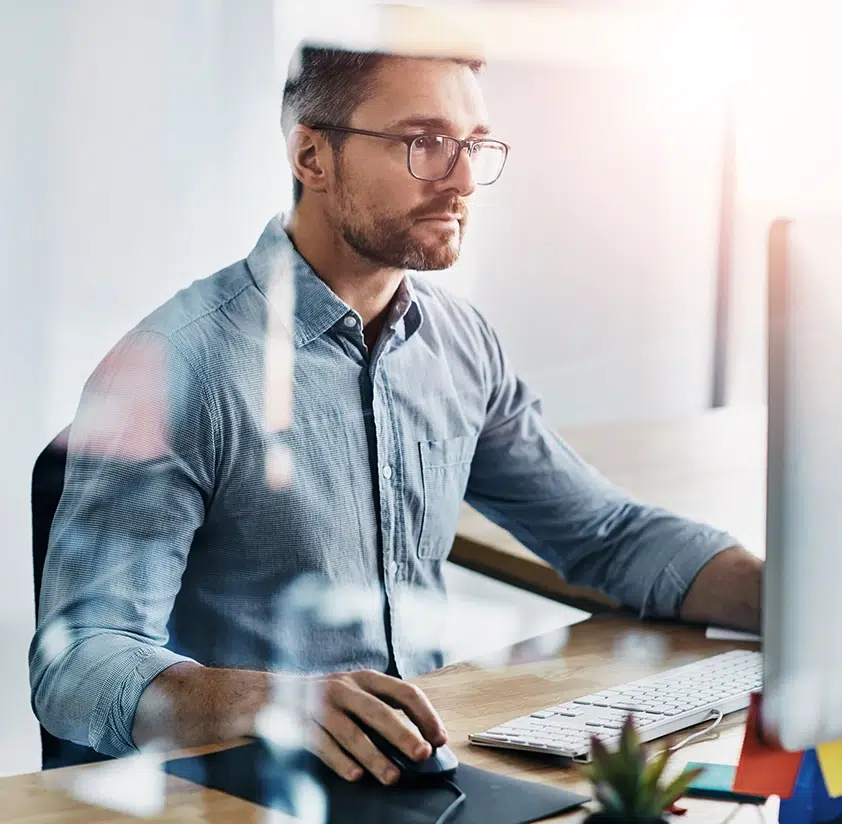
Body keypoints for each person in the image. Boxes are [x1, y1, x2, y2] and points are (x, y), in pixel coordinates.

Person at [30, 44, 762, 786]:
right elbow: (79, 664)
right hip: (242, 792)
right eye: (425, 143)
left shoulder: (458, 344)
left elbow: (608, 535)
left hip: (419, 772)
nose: (463, 180)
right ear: (312, 158)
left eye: (474, 145)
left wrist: (791, 601)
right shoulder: (176, 366)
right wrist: (276, 702)